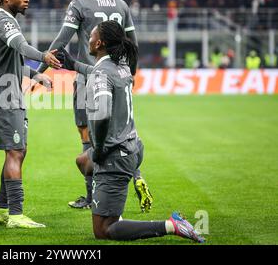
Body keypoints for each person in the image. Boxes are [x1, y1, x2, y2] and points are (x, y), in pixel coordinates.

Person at [58, 20, 204, 243]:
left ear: (99, 43)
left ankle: (172, 225)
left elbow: (104, 113)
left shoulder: (102, 73)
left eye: (91, 36)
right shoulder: (121, 66)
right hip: (133, 146)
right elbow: (96, 70)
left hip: (113, 154)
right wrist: (73, 64)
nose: (87, 39)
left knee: (104, 230)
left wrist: (98, 149)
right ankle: (114, 201)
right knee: (82, 162)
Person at [38, 0, 152, 211]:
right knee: (120, 134)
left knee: (88, 137)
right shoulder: (121, 5)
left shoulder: (79, 4)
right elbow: (133, 43)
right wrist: (129, 74)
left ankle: (92, 197)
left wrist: (39, 70)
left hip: (89, 77)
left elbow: (61, 41)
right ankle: (137, 174)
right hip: (119, 77)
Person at [0, 0, 61, 229]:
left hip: (6, 91)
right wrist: (43, 56)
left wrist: (37, 76)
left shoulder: (6, 20)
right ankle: (16, 214)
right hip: (1, 94)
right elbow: (22, 48)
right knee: (15, 151)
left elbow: (13, 61)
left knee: (18, 150)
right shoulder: (4, 22)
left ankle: (2, 211)